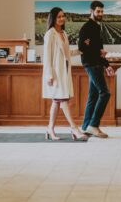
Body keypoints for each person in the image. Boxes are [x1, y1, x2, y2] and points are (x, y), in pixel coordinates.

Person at [42, 7, 87, 141]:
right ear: (53, 18)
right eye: (59, 17)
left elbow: (68, 53)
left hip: (64, 72)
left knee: (57, 101)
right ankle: (74, 128)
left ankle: (50, 128)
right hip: (55, 73)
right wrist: (49, 75)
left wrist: (81, 49)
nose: (62, 18)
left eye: (63, 16)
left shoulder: (64, 33)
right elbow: (47, 57)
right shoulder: (50, 34)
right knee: (63, 100)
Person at [79, 1, 115, 138]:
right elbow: (83, 47)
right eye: (98, 11)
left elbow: (99, 50)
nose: (101, 14)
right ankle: (93, 125)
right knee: (105, 93)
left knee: (93, 96)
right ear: (92, 11)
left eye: (102, 11)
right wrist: (99, 52)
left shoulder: (96, 27)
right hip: (91, 64)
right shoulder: (87, 27)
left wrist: (107, 65)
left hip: (97, 64)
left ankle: (85, 127)